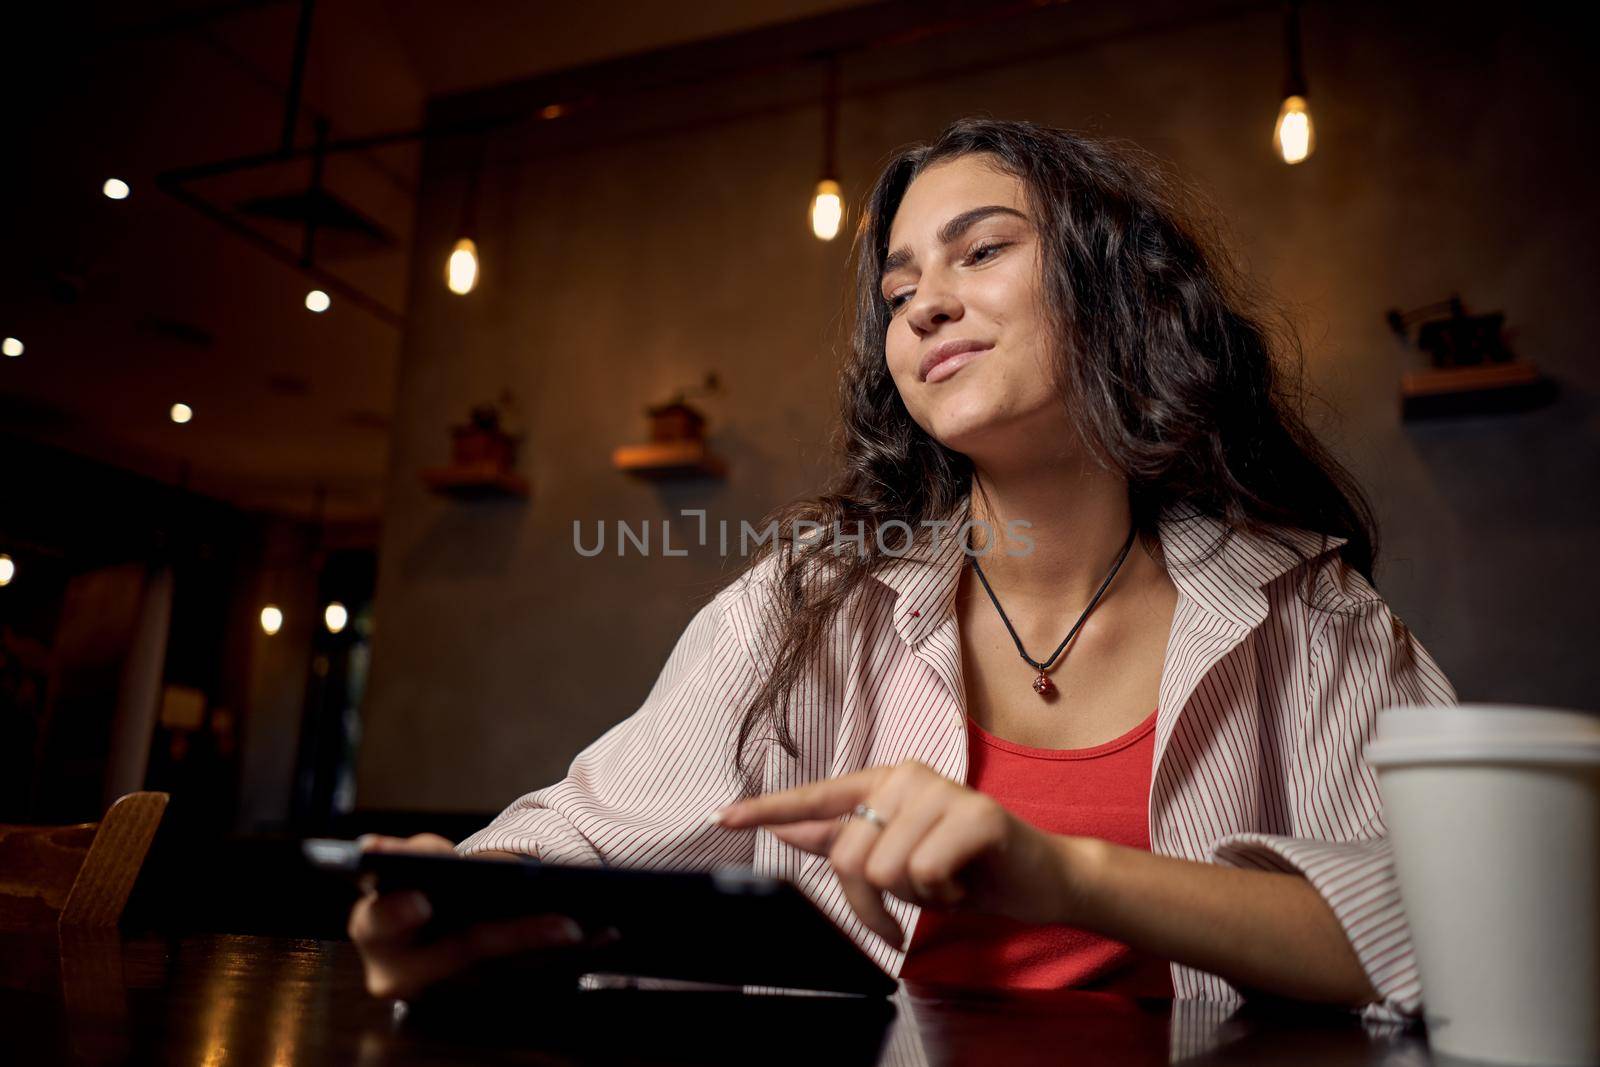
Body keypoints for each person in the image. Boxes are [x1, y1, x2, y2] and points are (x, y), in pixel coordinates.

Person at [350, 118, 1455, 1020]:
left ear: (1115, 290)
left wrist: (1063, 873)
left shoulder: (1309, 614)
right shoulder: (804, 604)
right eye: (897, 289)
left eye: (981, 251)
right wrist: (442, 908)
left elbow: (1454, 926)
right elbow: (581, 832)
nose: (923, 302)